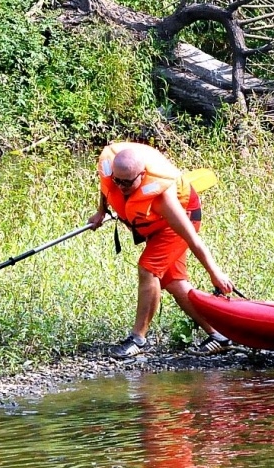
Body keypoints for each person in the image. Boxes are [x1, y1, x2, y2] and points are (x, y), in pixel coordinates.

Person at [89, 142, 236, 359]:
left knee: (148, 269)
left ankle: (137, 339)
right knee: (173, 282)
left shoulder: (163, 198)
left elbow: (192, 239)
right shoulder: (112, 172)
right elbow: (107, 188)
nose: (121, 186)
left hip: (180, 220)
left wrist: (215, 272)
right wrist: (100, 212)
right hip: (155, 224)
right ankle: (220, 336)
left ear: (142, 175)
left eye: (127, 183)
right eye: (117, 180)